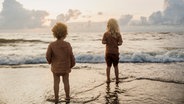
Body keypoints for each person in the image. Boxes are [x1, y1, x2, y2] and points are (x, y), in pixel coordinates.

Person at [46, 22, 75, 103]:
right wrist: (72, 65)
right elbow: (71, 56)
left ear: (54, 33)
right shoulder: (68, 44)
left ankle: (56, 98)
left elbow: (48, 56)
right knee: (66, 82)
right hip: (66, 68)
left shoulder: (51, 45)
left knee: (56, 83)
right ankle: (67, 97)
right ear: (65, 33)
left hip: (55, 68)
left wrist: (50, 62)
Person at [102, 18, 123, 84]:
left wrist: (106, 41)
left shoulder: (106, 34)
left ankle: (108, 79)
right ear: (116, 25)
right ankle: (117, 79)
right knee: (116, 66)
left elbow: (103, 42)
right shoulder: (118, 34)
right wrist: (117, 43)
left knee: (108, 66)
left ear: (108, 25)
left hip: (108, 52)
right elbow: (120, 43)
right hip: (115, 53)